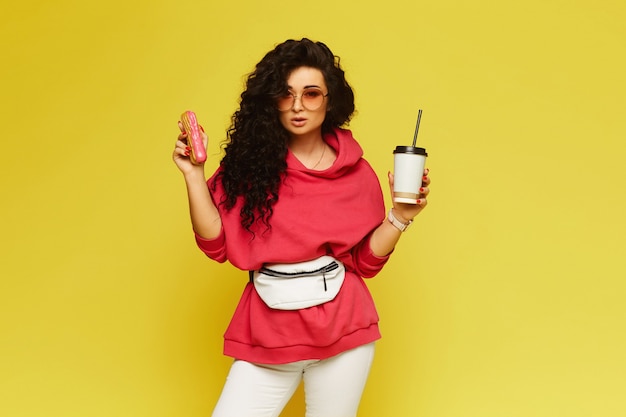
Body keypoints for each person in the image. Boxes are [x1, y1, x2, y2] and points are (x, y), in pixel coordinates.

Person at [172, 38, 430, 417]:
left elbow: (364, 263)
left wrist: (400, 216)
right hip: (268, 331)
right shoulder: (249, 165)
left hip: (345, 330)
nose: (297, 106)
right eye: (286, 93)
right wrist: (194, 176)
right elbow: (217, 245)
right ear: (270, 99)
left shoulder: (357, 173)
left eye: (311, 94)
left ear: (330, 100)